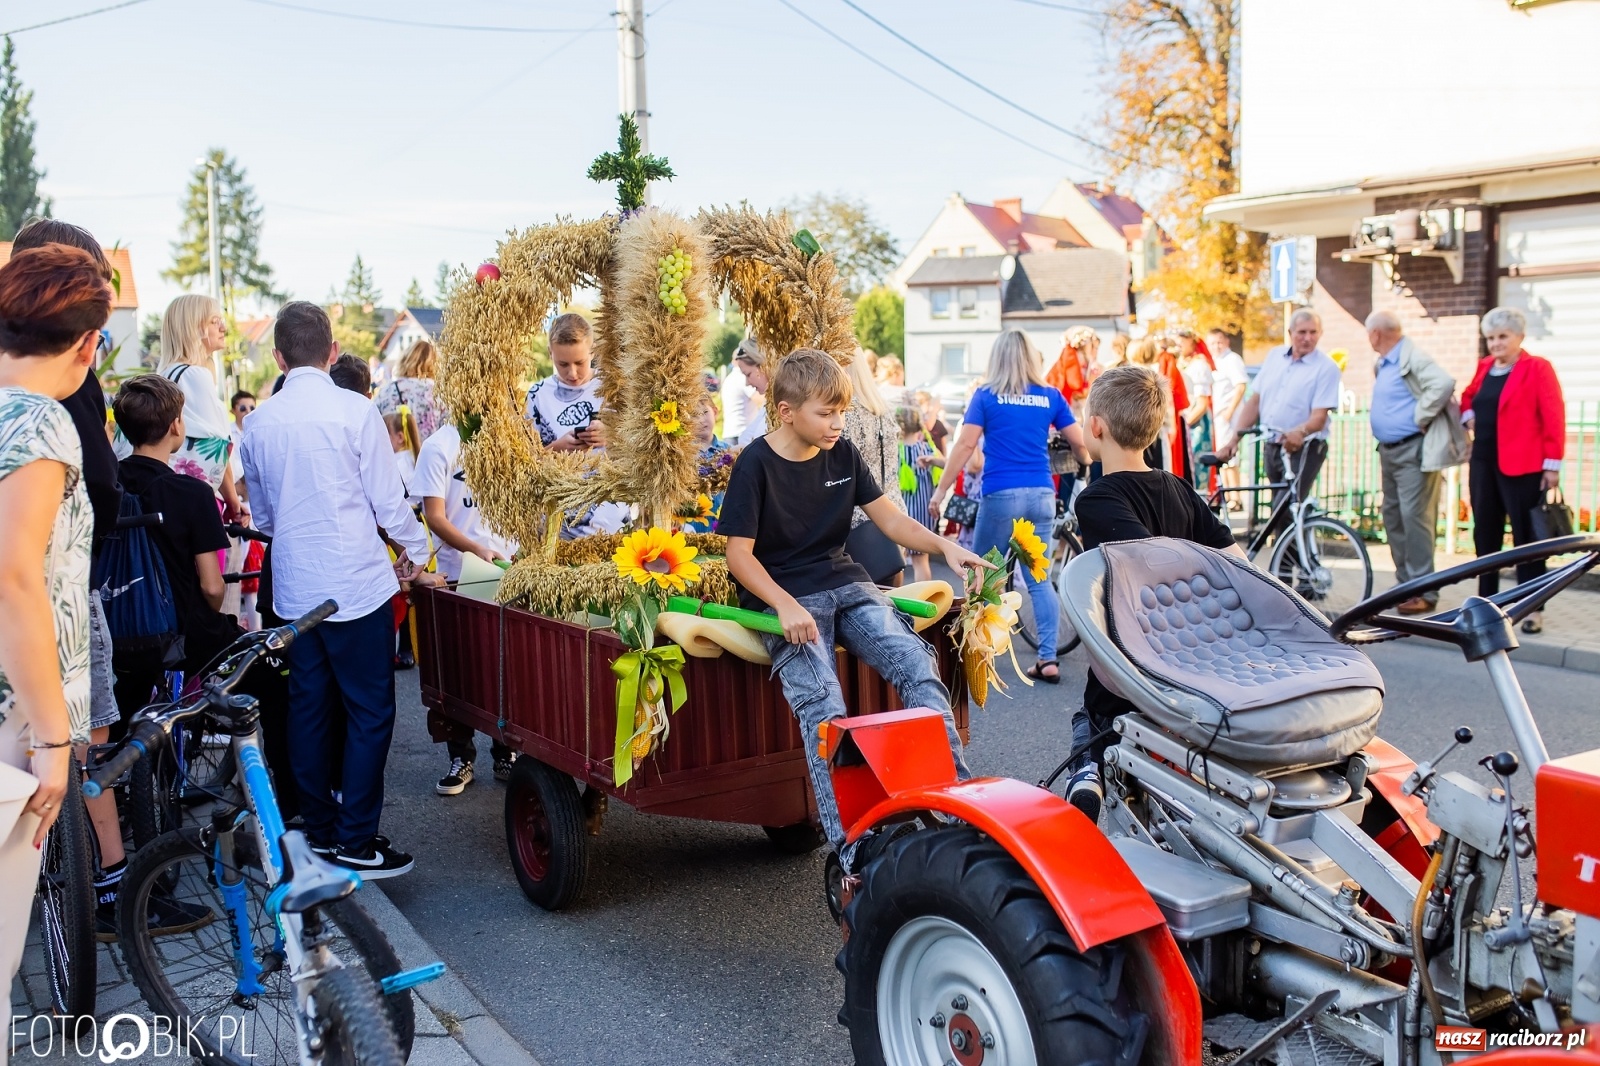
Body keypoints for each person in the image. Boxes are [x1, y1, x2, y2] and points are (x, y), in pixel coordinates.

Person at [719, 349, 992, 873]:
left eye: (841, 412)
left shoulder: (842, 454)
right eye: (827, 413)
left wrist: (947, 549)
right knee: (824, 703)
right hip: (785, 597)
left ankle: (954, 804)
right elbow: (738, 555)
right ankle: (850, 845)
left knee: (918, 665)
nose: (838, 424)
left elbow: (891, 521)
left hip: (846, 583)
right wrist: (782, 605)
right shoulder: (755, 462)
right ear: (786, 412)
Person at [241, 302, 436, 878]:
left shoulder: (259, 422)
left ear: (278, 356)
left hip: (297, 586)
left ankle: (319, 830)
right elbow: (386, 500)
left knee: (309, 707)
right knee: (370, 712)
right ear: (331, 353)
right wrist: (416, 551)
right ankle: (355, 839)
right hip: (354, 581)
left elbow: (267, 516)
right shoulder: (354, 411)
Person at [0, 244, 108, 1011]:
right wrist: (49, 736)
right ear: (86, 345)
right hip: (16, 711)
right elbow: (14, 575)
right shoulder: (41, 420)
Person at [1065, 366, 1245, 821]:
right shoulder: (1179, 488)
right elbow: (1239, 563)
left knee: (1092, 711)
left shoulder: (1097, 498)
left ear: (1096, 426)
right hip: (1193, 655)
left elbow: (1146, 566)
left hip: (1141, 657)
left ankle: (1087, 773)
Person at [11, 220, 124, 870]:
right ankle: (107, 879)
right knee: (88, 734)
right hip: (57, 592)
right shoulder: (56, 381)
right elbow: (100, 483)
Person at [929, 331, 1087, 683]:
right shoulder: (1050, 396)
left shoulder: (985, 396)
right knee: (1039, 579)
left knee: (983, 573)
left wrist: (940, 492)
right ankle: (1048, 659)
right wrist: (1086, 463)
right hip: (1041, 496)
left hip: (1001, 495)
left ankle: (979, 653)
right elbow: (1080, 443)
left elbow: (966, 446)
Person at [413, 422, 519, 794]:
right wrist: (474, 550)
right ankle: (461, 757)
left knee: (506, 668)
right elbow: (434, 515)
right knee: (459, 673)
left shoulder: (510, 436)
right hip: (459, 576)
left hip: (509, 571)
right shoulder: (439, 446)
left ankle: (506, 752)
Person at [1461, 305, 1566, 634]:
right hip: (1483, 463)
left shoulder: (1537, 368)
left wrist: (1552, 463)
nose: (1495, 343)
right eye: (1490, 337)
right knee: (1485, 533)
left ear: (1519, 336)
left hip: (1523, 465)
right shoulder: (1484, 367)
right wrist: (1468, 416)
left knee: (1527, 539)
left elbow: (1553, 413)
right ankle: (1486, 604)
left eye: (1502, 336)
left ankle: (1533, 607)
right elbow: (1468, 397)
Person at [1216, 309, 1342, 546]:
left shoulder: (1326, 368)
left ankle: (1293, 577)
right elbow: (1255, 402)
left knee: (1287, 508)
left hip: (1303, 447)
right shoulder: (1275, 357)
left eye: (1313, 332)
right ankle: (1291, 572)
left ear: (1320, 334)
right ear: (1290, 333)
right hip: (1272, 444)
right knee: (1282, 508)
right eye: (1302, 332)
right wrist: (1234, 439)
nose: (1307, 338)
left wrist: (1300, 432)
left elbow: (1320, 417)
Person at [1365, 310, 1461, 615]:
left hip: (1412, 450)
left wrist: (1420, 416)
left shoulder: (1412, 356)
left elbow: (1443, 383)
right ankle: (1405, 584)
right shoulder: (1385, 362)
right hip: (1390, 451)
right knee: (1393, 516)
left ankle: (1423, 591)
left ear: (1376, 334)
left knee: (1415, 518)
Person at [156, 295, 246, 524]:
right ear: (194, 328)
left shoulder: (164, 375)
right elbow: (218, 448)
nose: (222, 327)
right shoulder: (194, 376)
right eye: (215, 321)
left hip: (169, 499)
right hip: (200, 503)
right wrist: (234, 502)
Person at [841, 354, 906, 585]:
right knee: (894, 598)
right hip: (893, 511)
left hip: (857, 520)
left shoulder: (843, 413)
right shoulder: (883, 410)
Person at [525, 313, 604, 452]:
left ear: (593, 351)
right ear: (550, 353)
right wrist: (556, 449)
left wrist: (611, 435)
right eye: (563, 364)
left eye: (579, 363)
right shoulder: (537, 396)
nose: (572, 373)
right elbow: (525, 460)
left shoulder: (612, 384)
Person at [897, 405, 941, 583]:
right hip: (924, 512)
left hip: (900, 513)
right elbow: (946, 465)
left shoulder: (895, 450)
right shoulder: (926, 449)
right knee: (921, 561)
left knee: (897, 560)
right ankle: (926, 599)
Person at [376, 338, 443, 454]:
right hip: (430, 463)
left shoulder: (386, 391)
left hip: (394, 463)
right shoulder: (439, 394)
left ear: (404, 359)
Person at [1207, 328, 1249, 498]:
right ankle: (1227, 494)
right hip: (1219, 416)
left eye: (1219, 342)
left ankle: (1235, 496)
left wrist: (1230, 411)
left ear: (1226, 342)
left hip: (1227, 415)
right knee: (1221, 456)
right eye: (1212, 343)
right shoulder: (1216, 361)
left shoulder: (1232, 360)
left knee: (1229, 456)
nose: (1216, 346)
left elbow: (1241, 386)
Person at [1176, 332, 1214, 490]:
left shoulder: (1199, 365)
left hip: (1195, 422)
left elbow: (1202, 402)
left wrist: (1187, 423)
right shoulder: (1181, 362)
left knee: (1196, 468)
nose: (1178, 348)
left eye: (1181, 344)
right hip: (1185, 420)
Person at [730, 338, 769, 447]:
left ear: (763, 366)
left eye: (748, 374)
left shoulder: (784, 404)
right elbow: (746, 439)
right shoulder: (768, 405)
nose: (747, 383)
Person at [718, 354, 762, 443]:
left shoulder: (730, 378)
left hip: (730, 433)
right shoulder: (741, 377)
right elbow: (760, 400)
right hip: (741, 434)